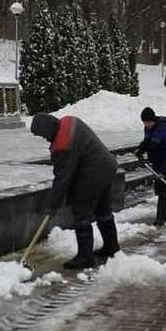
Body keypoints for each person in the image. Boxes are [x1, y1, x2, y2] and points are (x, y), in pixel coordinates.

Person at [30, 113, 120, 269]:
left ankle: (85, 258)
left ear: (48, 129)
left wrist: (53, 205)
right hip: (106, 165)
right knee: (103, 210)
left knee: (81, 212)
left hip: (93, 172)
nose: (44, 138)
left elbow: (62, 178)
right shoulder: (70, 121)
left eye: (43, 135)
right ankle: (111, 247)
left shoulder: (63, 144)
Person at [135, 107, 166, 225]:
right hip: (158, 164)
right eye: (144, 122)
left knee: (164, 192)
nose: (146, 125)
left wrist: (163, 171)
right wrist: (140, 150)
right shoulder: (149, 129)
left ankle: (160, 219)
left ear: (153, 120)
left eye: (148, 122)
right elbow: (147, 141)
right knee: (164, 190)